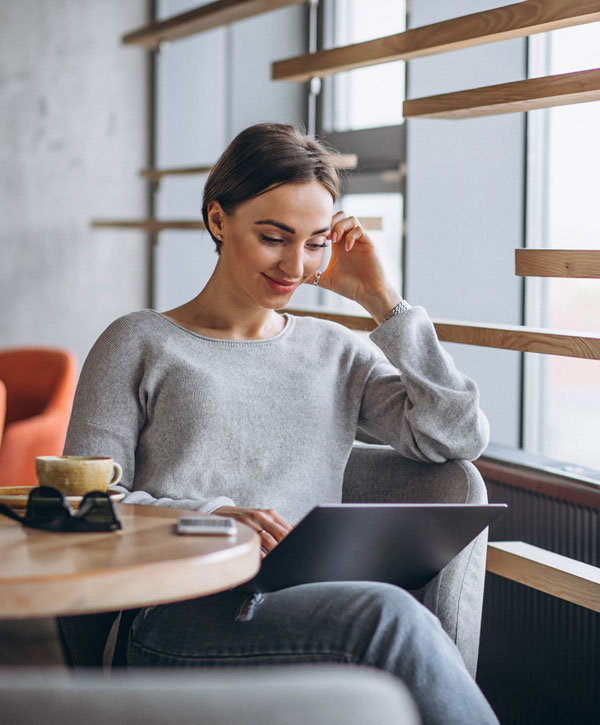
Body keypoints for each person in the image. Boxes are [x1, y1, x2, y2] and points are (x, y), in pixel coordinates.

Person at [64, 122, 498, 724]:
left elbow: (457, 436)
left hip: (299, 603)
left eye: (317, 242)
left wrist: (385, 308)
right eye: (274, 237)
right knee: (389, 618)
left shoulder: (338, 352)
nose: (296, 264)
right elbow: (83, 506)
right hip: (171, 616)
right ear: (219, 221)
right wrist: (210, 516)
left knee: (385, 617)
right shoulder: (139, 343)